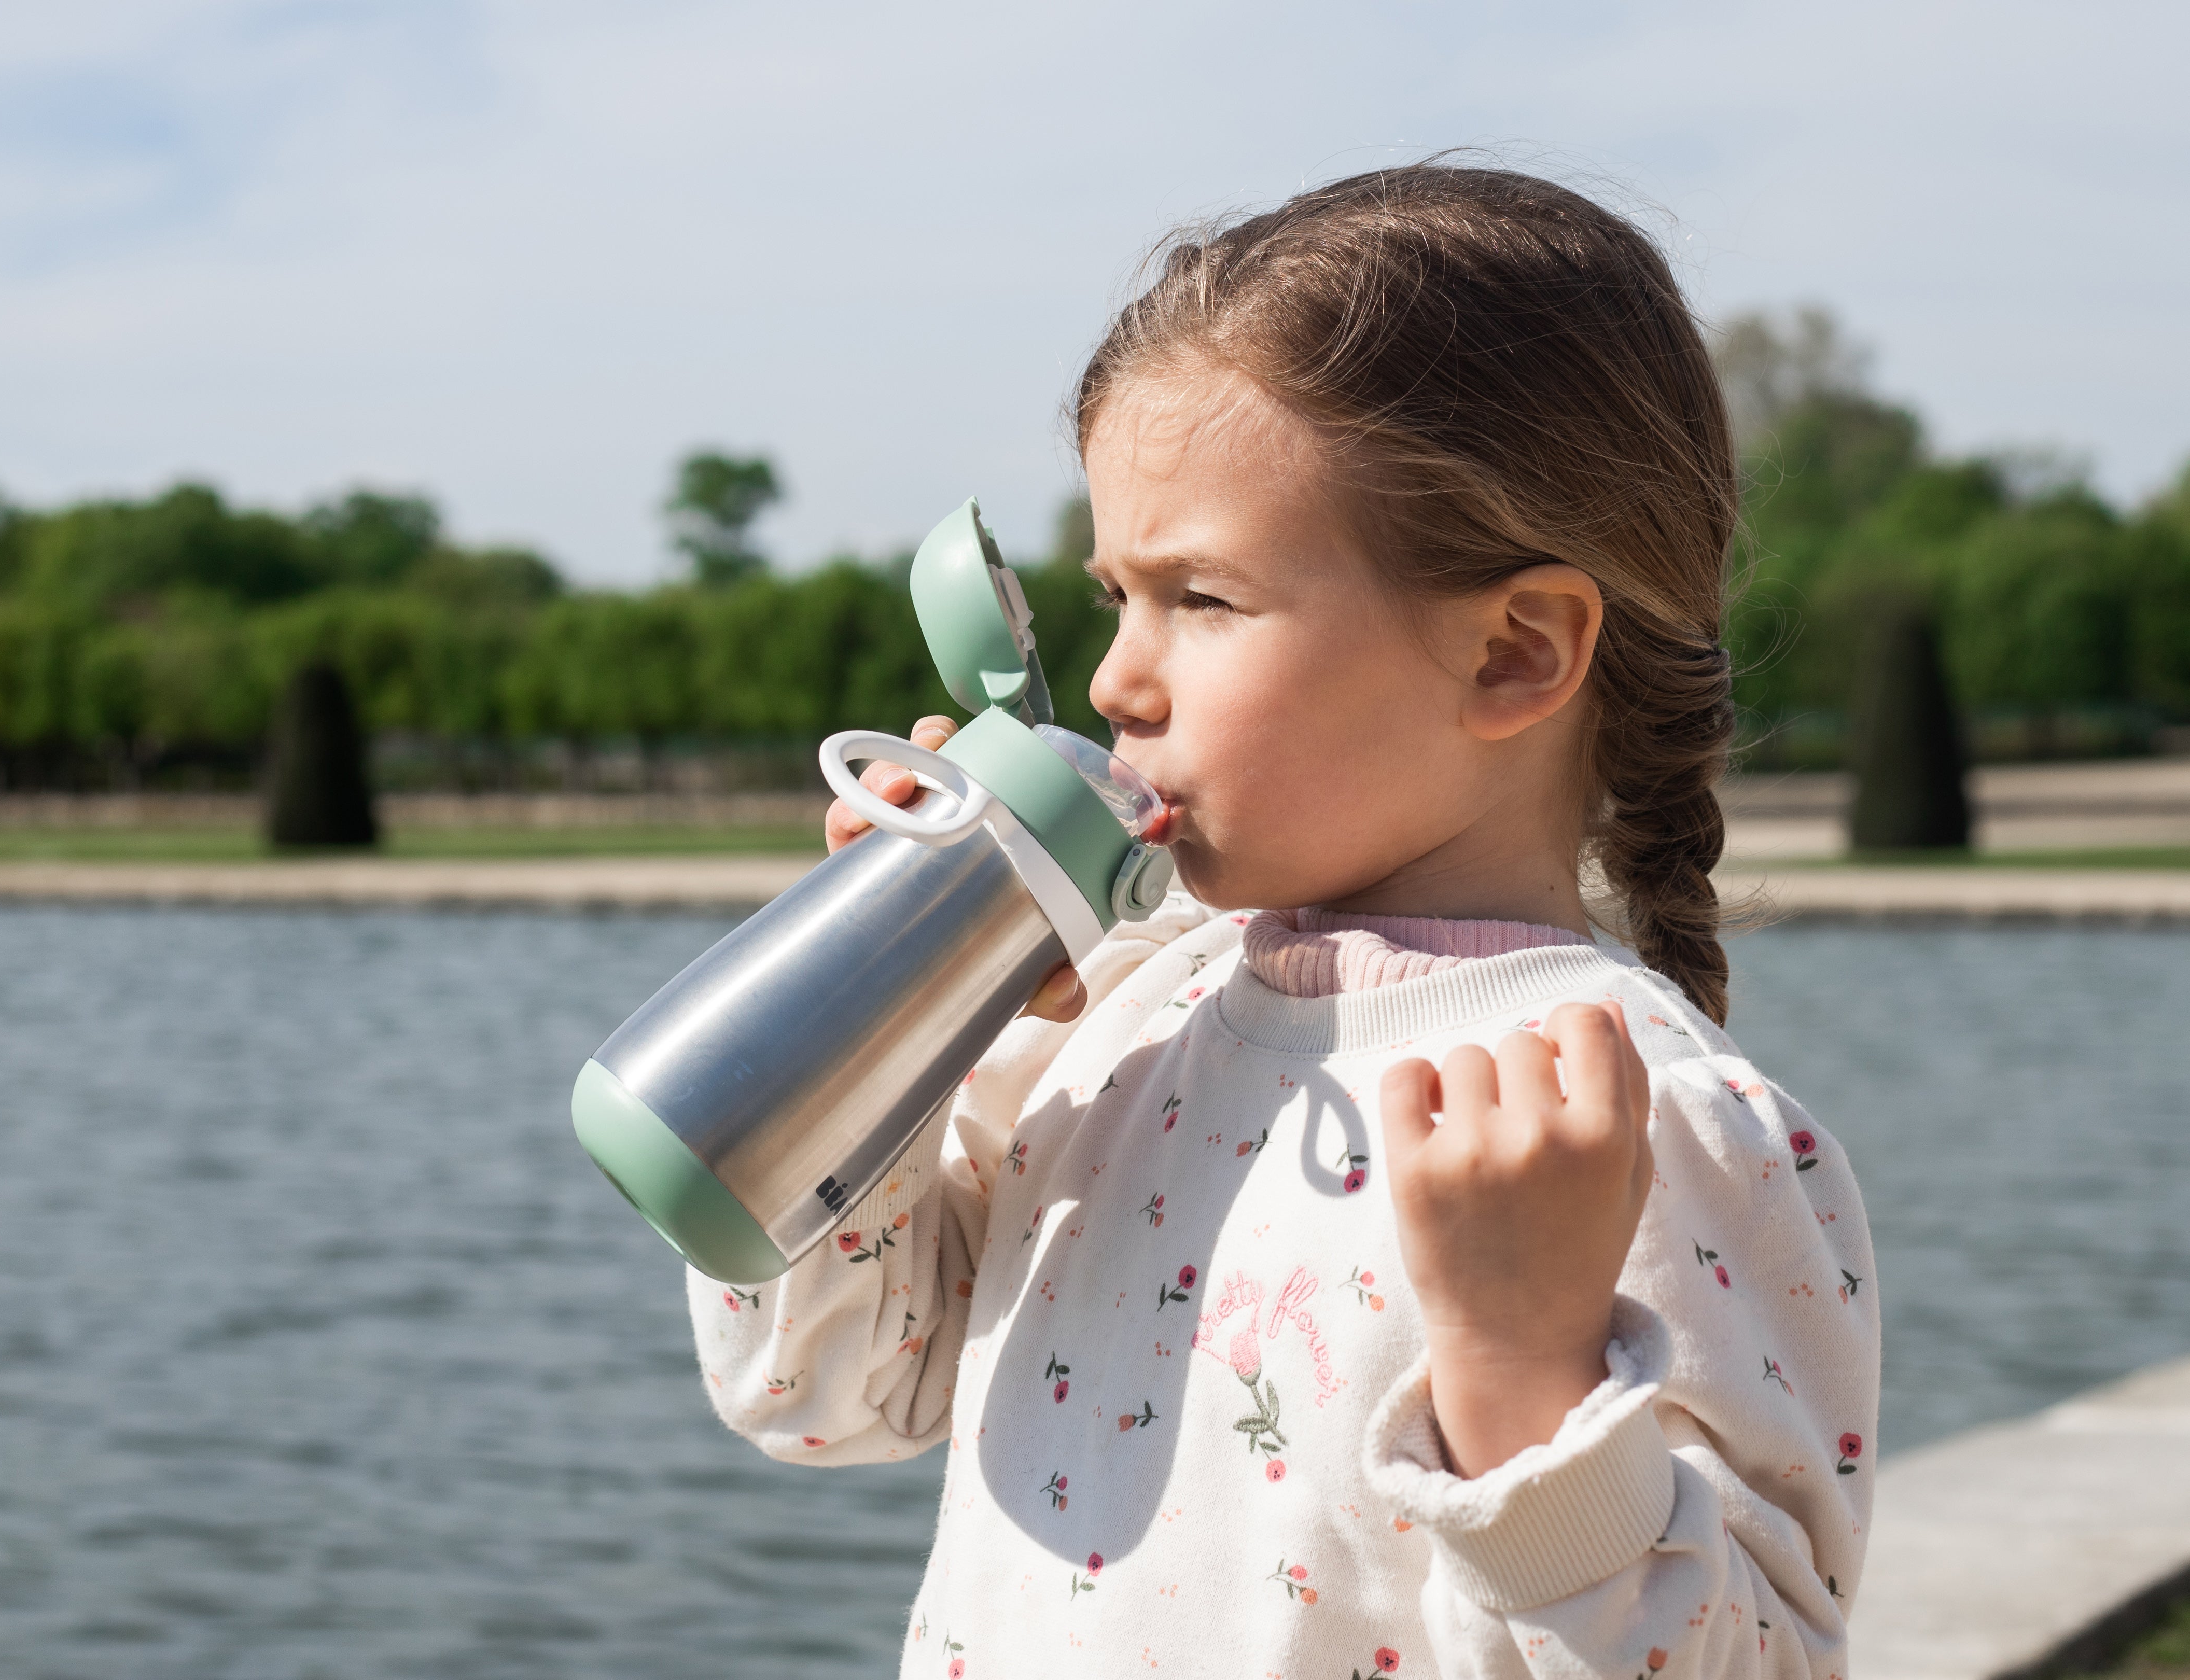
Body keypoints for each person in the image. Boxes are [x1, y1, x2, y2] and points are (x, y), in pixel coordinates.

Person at [688, 164, 1877, 1680]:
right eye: (1113, 594)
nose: (1118, 680)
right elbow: (824, 1397)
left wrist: (1520, 1392)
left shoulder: (1638, 1127)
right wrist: (874, 1038)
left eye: (1201, 597)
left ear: (1511, 654)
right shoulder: (1125, 1017)